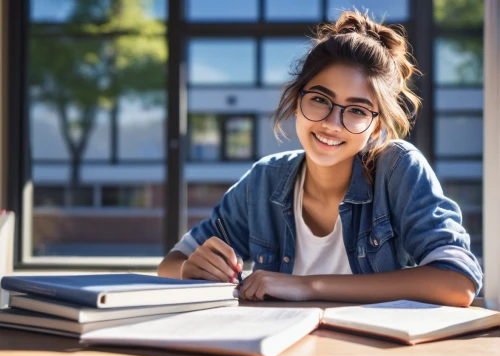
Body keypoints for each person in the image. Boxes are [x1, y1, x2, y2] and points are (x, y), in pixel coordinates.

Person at [158, 9, 482, 307]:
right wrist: (190, 267)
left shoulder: (397, 168)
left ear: (376, 125)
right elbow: (169, 267)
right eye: (319, 99)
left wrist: (306, 286)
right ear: (297, 99)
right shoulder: (264, 180)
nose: (331, 123)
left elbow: (458, 282)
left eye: (356, 110)